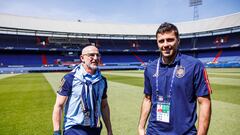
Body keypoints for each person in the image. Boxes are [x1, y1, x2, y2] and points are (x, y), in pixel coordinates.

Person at [138, 22, 212, 135]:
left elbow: (204, 102)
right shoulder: (150, 68)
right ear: (157, 43)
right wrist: (141, 127)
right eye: (161, 41)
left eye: (170, 40)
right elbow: (148, 99)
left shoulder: (194, 65)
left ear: (178, 41)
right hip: (154, 132)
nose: (165, 44)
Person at [52, 45, 113, 135]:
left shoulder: (102, 80)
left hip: (95, 128)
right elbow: (59, 105)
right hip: (74, 128)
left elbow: (104, 106)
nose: (95, 58)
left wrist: (109, 130)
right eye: (91, 55)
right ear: (82, 58)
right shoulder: (70, 78)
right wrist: (56, 131)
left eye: (97, 55)